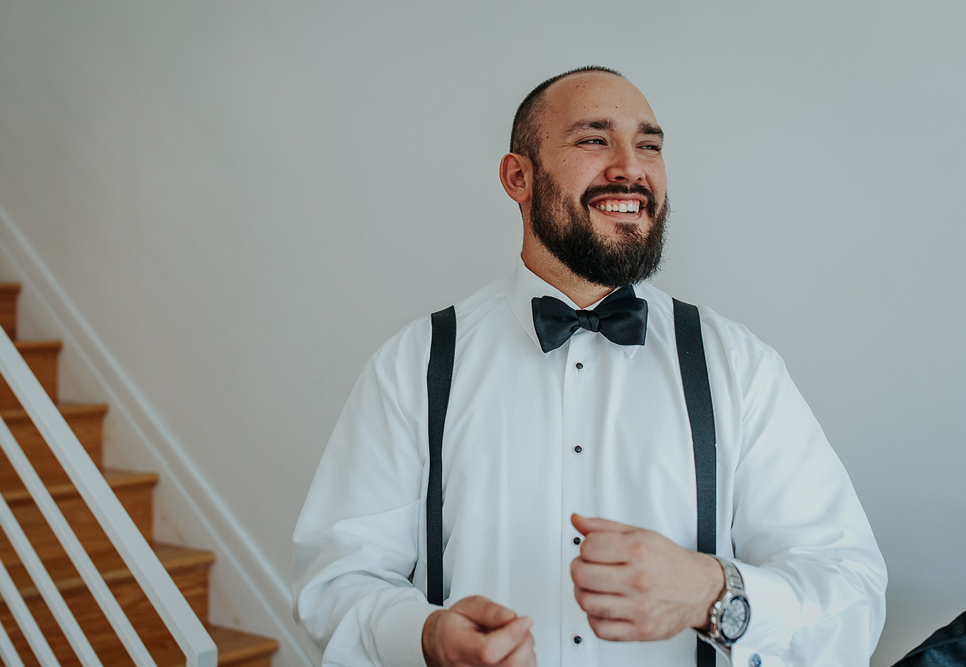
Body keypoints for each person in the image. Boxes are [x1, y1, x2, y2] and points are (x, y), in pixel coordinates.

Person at [292, 66, 887, 667]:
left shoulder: (738, 366)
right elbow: (335, 585)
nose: (631, 166)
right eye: (594, 139)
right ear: (517, 177)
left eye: (649, 145)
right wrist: (425, 637)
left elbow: (850, 593)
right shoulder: (414, 365)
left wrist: (713, 594)